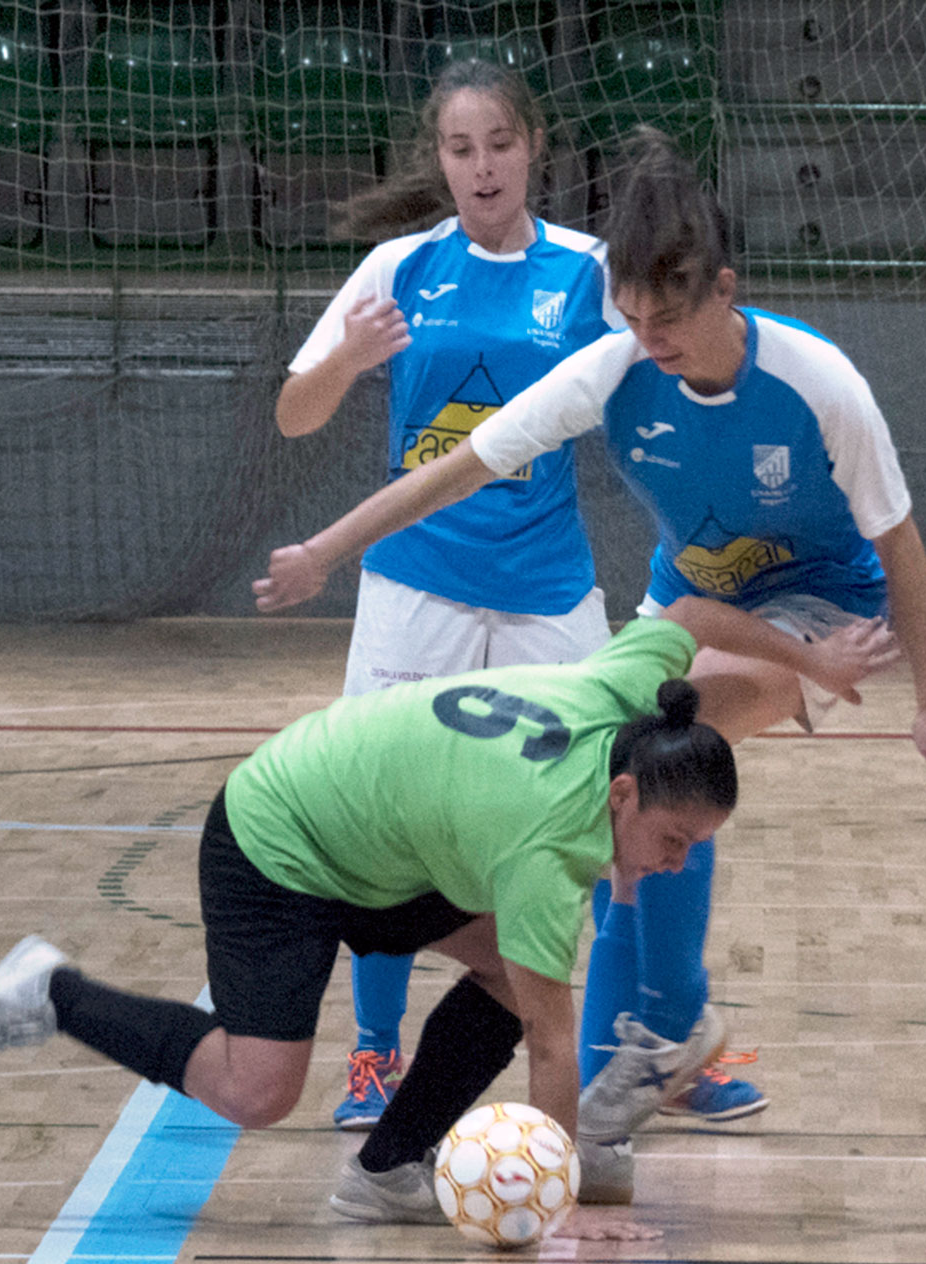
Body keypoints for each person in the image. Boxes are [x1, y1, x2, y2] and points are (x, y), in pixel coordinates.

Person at [253, 128, 926, 1198]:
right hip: (685, 602)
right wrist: (326, 549)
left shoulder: (817, 380)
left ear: (724, 290)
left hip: (822, 610)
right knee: (613, 788)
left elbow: (901, 541)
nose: (651, 340)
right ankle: (615, 1090)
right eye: (632, 318)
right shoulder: (617, 367)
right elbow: (455, 470)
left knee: (683, 735)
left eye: (669, 318)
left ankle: (667, 1024)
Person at [0, 595, 891, 1238]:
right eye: (674, 840)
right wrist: (552, 1209)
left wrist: (808, 660)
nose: (678, 862)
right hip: (281, 834)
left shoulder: (624, 700)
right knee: (256, 1092)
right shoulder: (546, 848)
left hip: (380, 843)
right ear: (624, 795)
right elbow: (553, 1051)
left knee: (503, 976)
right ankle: (51, 993)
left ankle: (386, 1171)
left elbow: (684, 615)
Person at [273, 59, 672, 1131]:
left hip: (547, 587)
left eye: (499, 143)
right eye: (461, 149)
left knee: (606, 810)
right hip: (415, 586)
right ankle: (374, 1054)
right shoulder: (398, 267)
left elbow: (663, 368)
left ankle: (637, 1040)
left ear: (533, 146)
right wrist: (346, 359)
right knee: (379, 822)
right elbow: (295, 413)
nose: (482, 165)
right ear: (439, 161)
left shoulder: (590, 272)